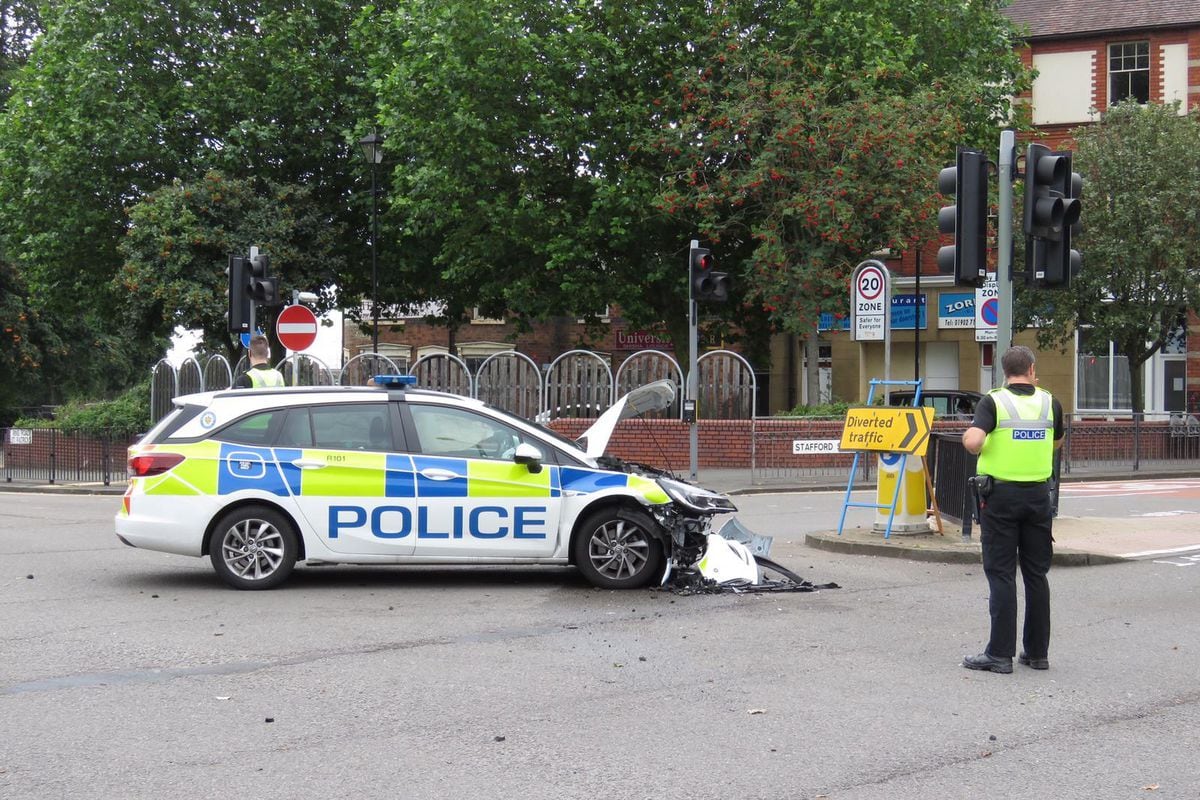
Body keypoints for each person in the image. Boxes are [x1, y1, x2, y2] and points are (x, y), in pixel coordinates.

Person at [961, 345, 1064, 674]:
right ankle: (1037, 653)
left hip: (1000, 498)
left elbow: (975, 442)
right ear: (1032, 369)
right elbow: (1056, 441)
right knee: (1037, 575)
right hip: (1038, 496)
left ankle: (1000, 654)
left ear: (1004, 372)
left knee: (1002, 574)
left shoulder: (994, 401)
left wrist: (975, 437)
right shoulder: (1050, 402)